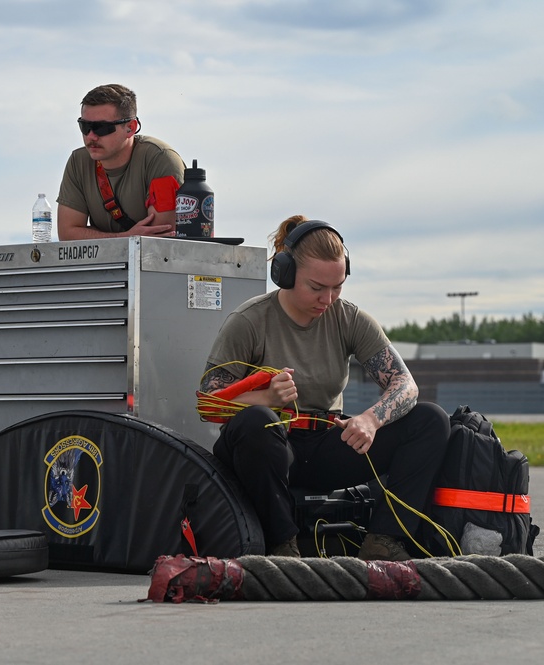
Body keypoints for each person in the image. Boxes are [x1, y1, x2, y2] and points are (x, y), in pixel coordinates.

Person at [199, 216, 450, 561]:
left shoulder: (349, 319)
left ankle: (385, 540)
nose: (327, 299)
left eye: (337, 288)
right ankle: (282, 545)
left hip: (325, 444)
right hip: (268, 448)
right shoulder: (249, 321)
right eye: (316, 288)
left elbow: (405, 384)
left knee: (430, 420)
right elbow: (209, 405)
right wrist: (268, 398)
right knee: (257, 420)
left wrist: (371, 419)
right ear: (285, 274)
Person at [56, 83, 186, 240]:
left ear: (130, 128)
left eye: (102, 128)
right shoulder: (78, 162)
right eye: (85, 126)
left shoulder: (161, 160)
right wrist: (125, 237)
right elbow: (68, 234)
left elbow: (159, 237)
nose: (91, 136)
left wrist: (102, 238)